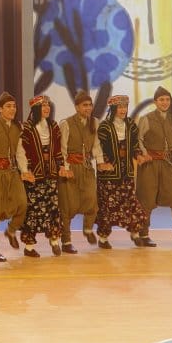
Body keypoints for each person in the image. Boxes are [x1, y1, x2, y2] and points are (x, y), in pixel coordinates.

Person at [0, 91, 34, 262]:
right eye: (8, 106)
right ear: (0, 109)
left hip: (12, 172)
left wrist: (24, 170)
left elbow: (19, 151)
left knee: (22, 203)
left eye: (14, 106)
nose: (12, 109)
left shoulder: (17, 127)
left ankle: (11, 230)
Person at [136, 86, 172, 247]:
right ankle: (143, 234)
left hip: (168, 165)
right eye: (161, 100)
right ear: (155, 102)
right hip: (150, 165)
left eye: (167, 99)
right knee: (147, 200)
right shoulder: (146, 119)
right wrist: (144, 154)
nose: (165, 102)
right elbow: (139, 139)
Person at [94, 95, 147, 249]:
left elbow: (135, 145)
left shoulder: (130, 125)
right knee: (108, 206)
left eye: (125, 107)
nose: (123, 110)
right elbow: (98, 148)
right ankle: (103, 238)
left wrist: (138, 155)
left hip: (126, 172)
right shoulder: (104, 127)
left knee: (131, 203)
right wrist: (103, 163)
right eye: (120, 107)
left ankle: (135, 234)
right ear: (113, 109)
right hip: (109, 174)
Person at [58, 91, 106, 254]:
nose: (88, 108)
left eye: (90, 105)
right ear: (77, 107)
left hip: (86, 167)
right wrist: (65, 168)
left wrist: (100, 162)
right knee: (68, 205)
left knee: (92, 200)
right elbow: (62, 148)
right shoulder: (66, 123)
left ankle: (87, 228)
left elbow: (96, 145)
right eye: (84, 105)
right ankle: (66, 241)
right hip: (70, 167)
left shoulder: (95, 122)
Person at [20, 95, 66, 257]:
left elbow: (58, 149)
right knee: (34, 208)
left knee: (53, 206)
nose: (47, 108)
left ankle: (54, 241)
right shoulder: (26, 128)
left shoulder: (53, 126)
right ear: (35, 109)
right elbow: (22, 151)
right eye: (43, 106)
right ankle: (29, 246)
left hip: (51, 172)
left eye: (48, 105)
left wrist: (61, 166)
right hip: (34, 173)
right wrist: (26, 170)